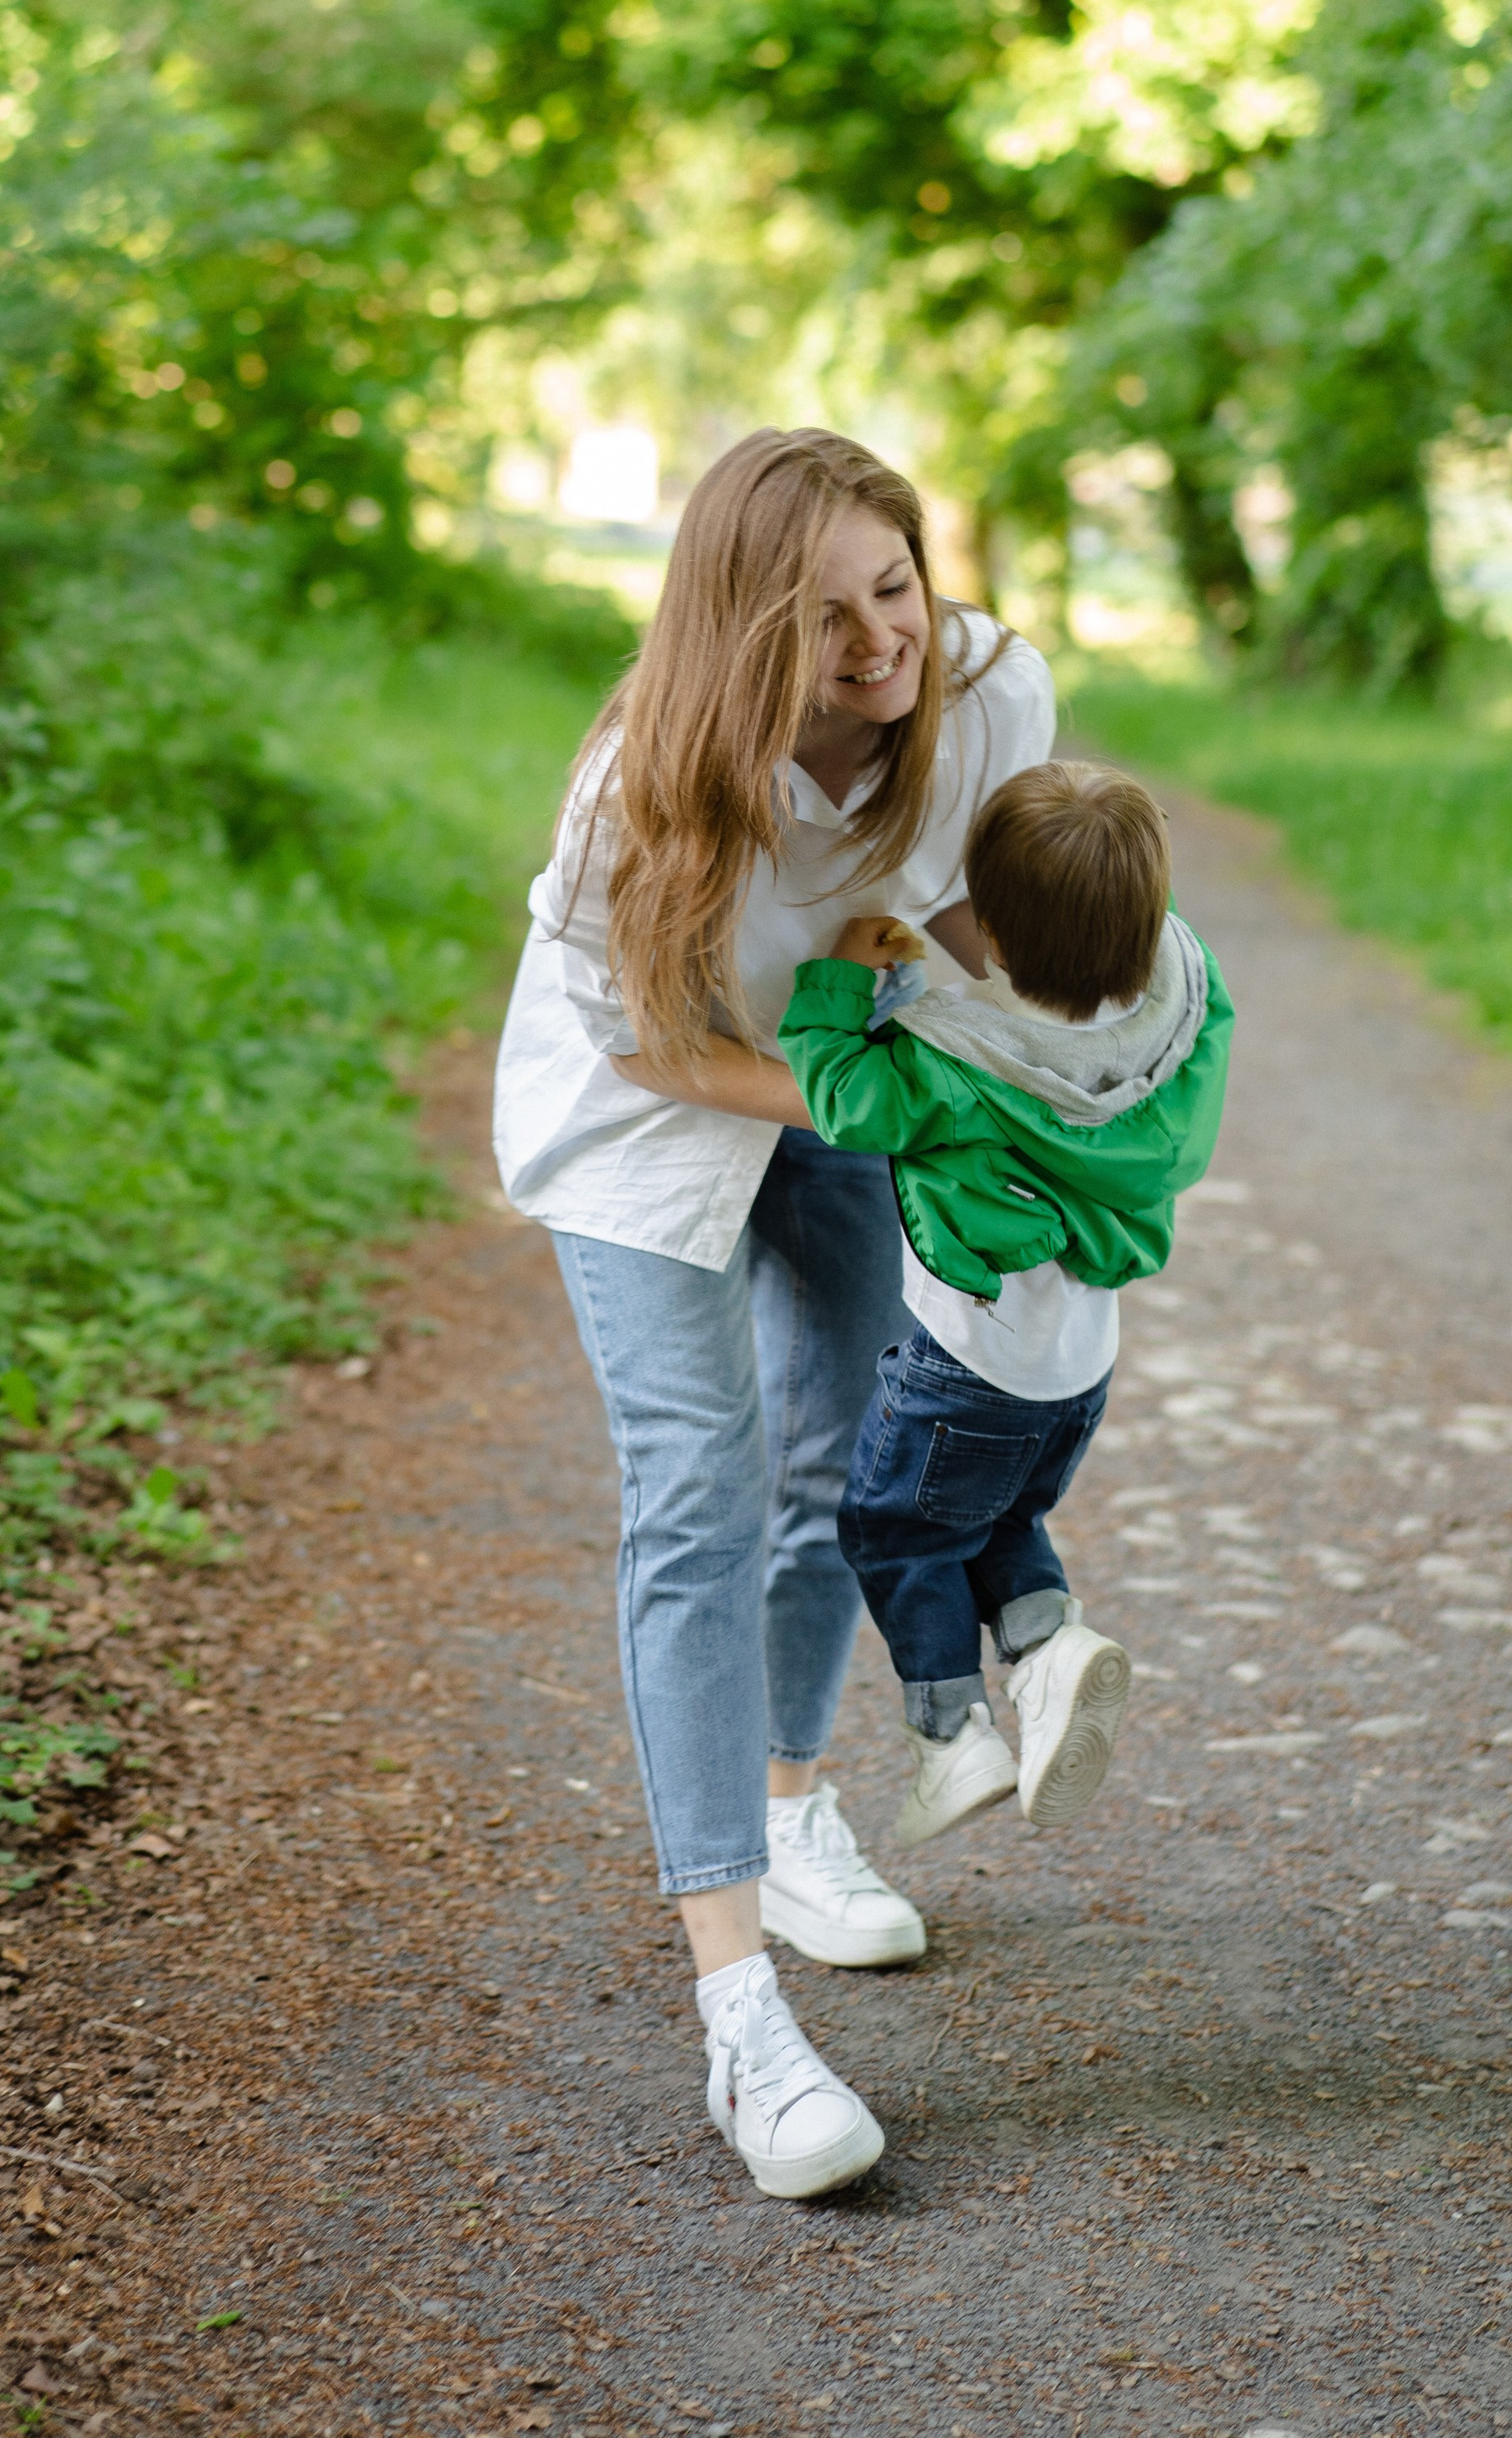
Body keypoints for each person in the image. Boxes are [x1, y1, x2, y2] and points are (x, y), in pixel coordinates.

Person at [493, 428, 1056, 2200]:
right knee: (697, 1497)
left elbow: (965, 902)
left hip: (834, 1060)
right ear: (741, 636)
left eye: (892, 585)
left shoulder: (982, 692)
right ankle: (737, 2012)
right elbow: (647, 1044)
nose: (878, 640)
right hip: (652, 1124)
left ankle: (795, 1803)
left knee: (840, 1457)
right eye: (822, 620)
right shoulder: (636, 794)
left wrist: (1060, 1074)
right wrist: (858, 1113)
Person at [776, 762, 1233, 1855]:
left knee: (891, 1528)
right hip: (1077, 1370)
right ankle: (1046, 1649)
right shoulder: (1181, 1010)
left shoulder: (957, 1058)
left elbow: (840, 1095)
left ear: (990, 928)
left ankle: (952, 1734)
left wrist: (838, 980)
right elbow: (1161, 944)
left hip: (965, 1362)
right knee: (995, 1516)